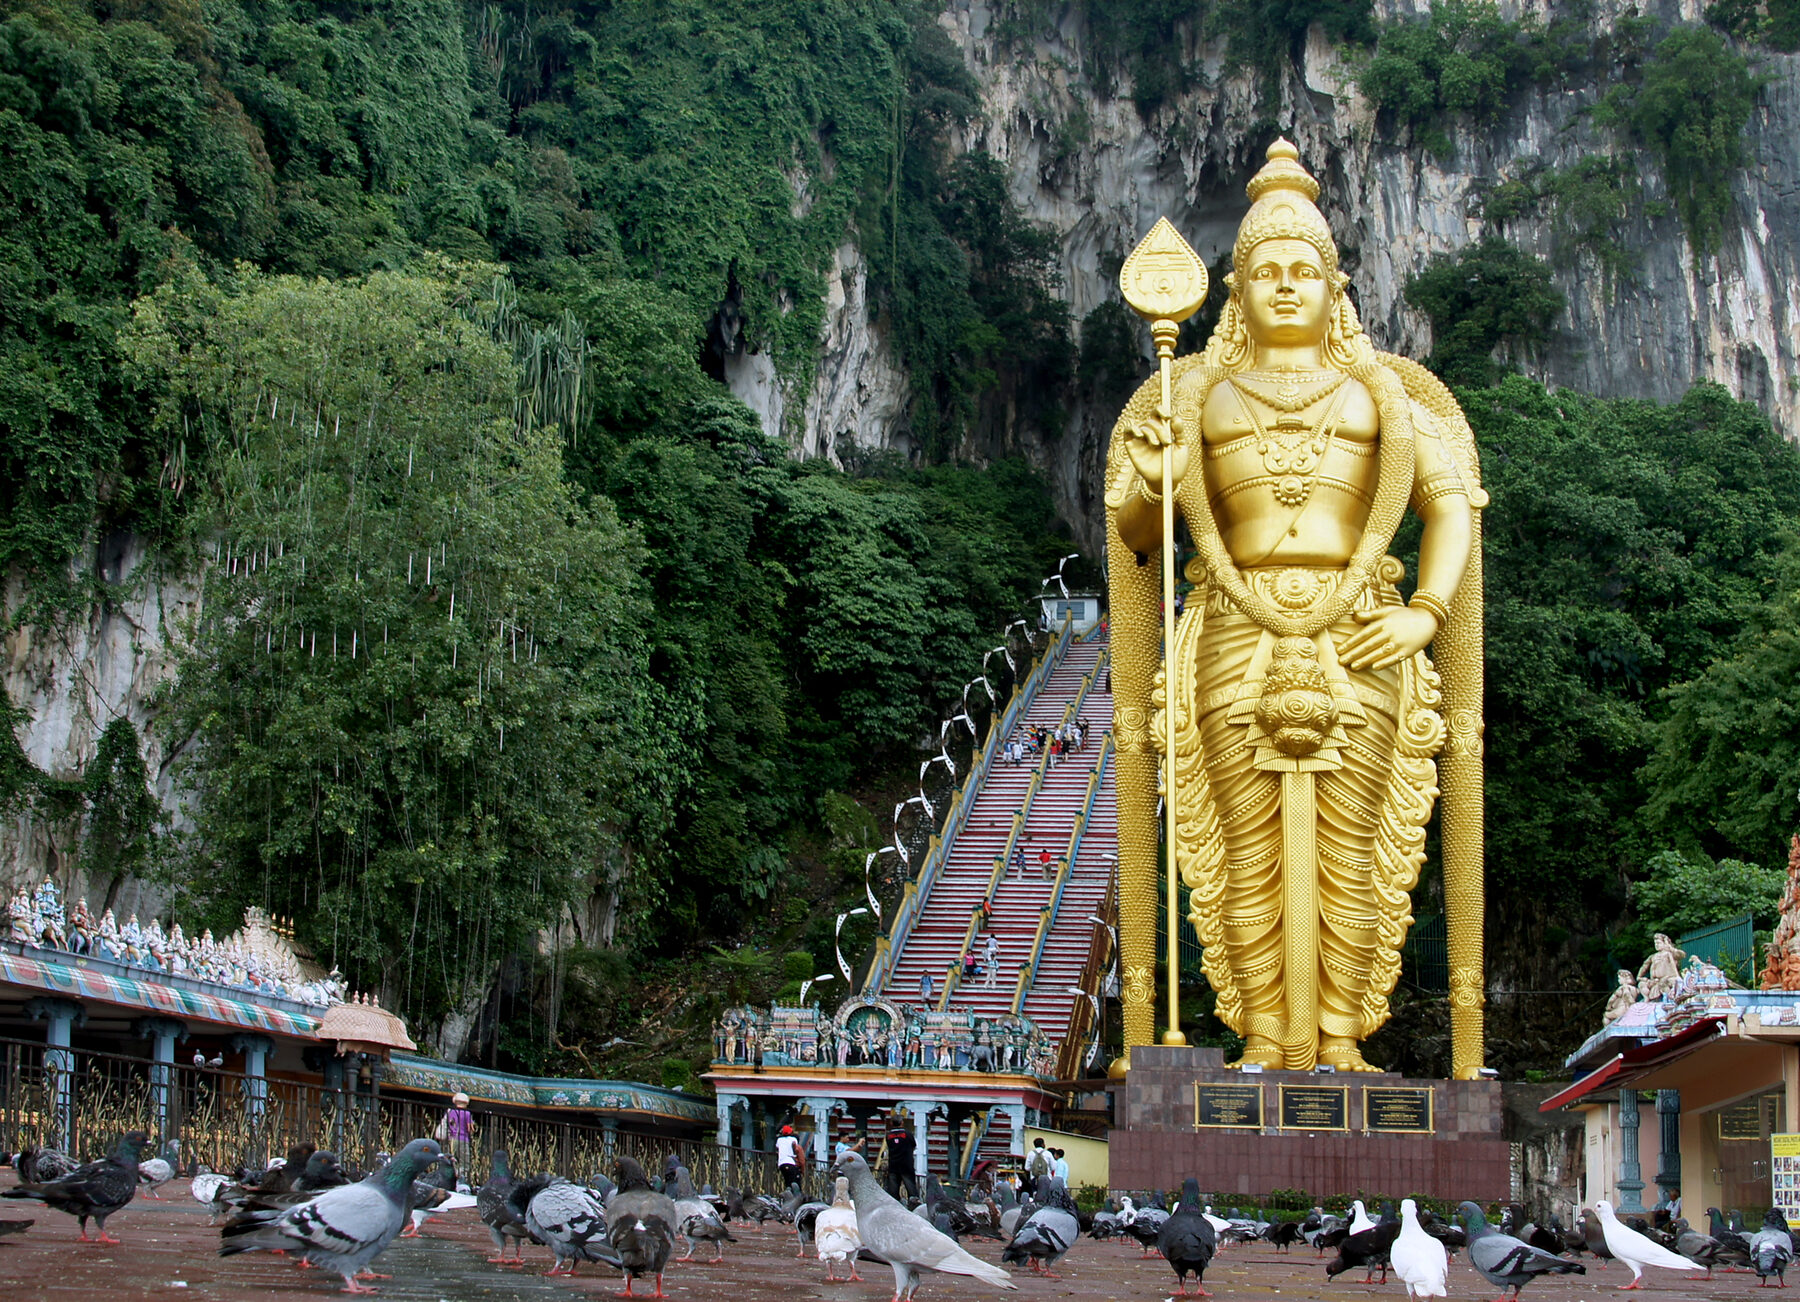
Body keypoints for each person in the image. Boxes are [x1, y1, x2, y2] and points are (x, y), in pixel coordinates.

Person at [1107, 139, 1481, 1073]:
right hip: (1232, 632)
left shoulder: (1384, 396)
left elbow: (1451, 505)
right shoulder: (1190, 391)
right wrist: (1152, 471)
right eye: (1264, 271)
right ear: (1234, 291)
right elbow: (1137, 530)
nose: (1283, 287)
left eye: (1302, 271)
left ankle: (1344, 1035)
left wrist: (1427, 612)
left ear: (1335, 287)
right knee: (1240, 848)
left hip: (1362, 632)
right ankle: (1266, 1032)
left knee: (1355, 851)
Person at [883, 1117, 919, 1201]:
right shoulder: (907, 1134)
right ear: (902, 1123)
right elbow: (913, 1145)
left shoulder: (888, 1136)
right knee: (911, 1190)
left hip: (893, 1165)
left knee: (893, 1192)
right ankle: (914, 1205)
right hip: (906, 1165)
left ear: (891, 1123)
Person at [436, 1091, 474, 1169]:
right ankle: (462, 1178)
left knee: (452, 1160)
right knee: (464, 1163)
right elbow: (470, 1129)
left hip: (452, 1139)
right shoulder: (467, 1113)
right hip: (463, 1139)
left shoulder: (451, 1111)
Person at [776, 1123, 806, 1190]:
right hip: (791, 1163)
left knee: (787, 1182)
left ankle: (787, 1195)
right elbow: (802, 1160)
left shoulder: (779, 1140)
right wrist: (803, 1171)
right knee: (795, 1184)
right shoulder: (793, 1140)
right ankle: (795, 1198)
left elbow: (777, 1147)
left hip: (781, 1164)